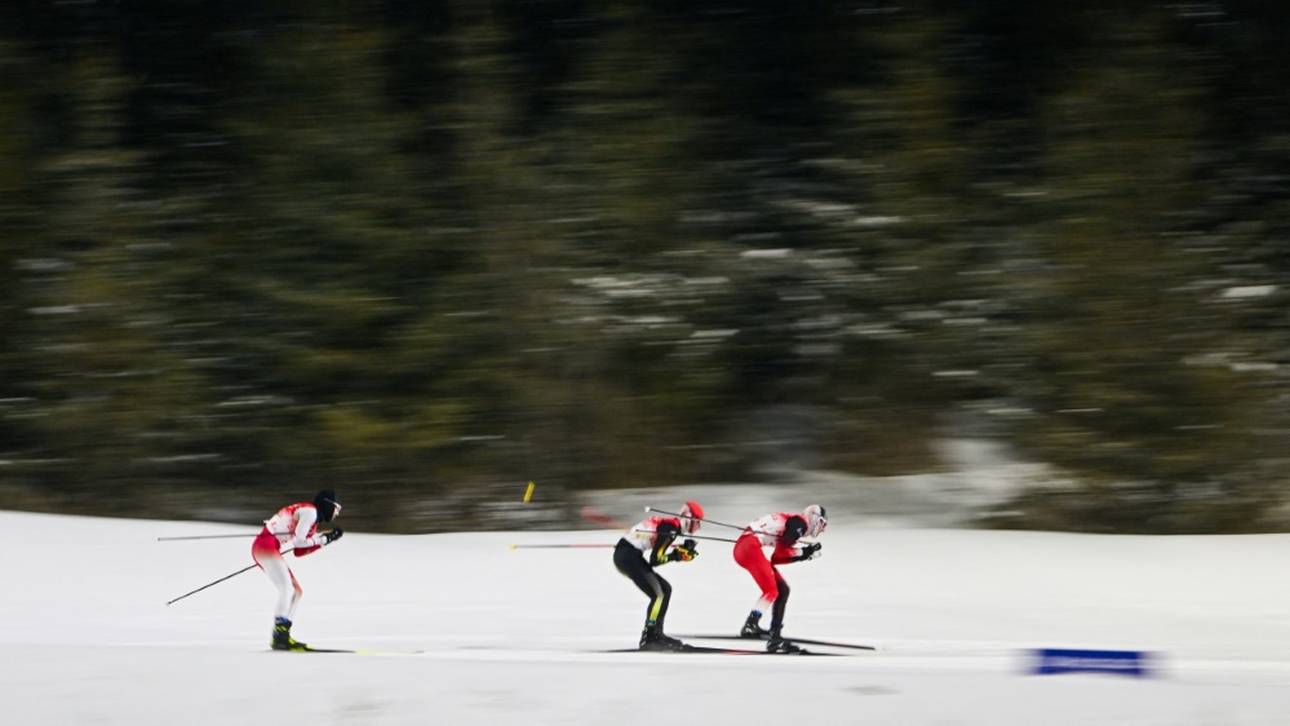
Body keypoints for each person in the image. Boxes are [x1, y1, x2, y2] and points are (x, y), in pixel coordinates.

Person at [251, 489, 344, 651]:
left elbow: (299, 551)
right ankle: (280, 636)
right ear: (328, 505)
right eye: (336, 508)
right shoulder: (310, 512)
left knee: (296, 591)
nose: (336, 513)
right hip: (265, 545)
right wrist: (323, 538)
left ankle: (282, 634)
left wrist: (325, 541)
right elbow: (299, 542)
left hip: (267, 546)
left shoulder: (312, 521)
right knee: (286, 588)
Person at [733, 504, 827, 653]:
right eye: (822, 523)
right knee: (771, 590)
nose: (823, 529)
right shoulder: (800, 524)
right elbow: (781, 555)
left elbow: (778, 558)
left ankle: (775, 636)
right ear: (814, 517)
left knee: (783, 590)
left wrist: (803, 553)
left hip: (746, 546)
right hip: (749, 546)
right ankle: (751, 625)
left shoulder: (796, 524)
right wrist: (804, 552)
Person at [613, 500, 704, 651]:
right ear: (688, 518)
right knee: (658, 595)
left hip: (629, 555)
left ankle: (656, 633)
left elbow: (659, 548)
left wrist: (679, 551)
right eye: (697, 522)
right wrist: (677, 556)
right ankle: (649, 638)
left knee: (665, 589)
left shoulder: (670, 527)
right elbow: (656, 560)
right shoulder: (671, 529)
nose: (698, 527)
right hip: (628, 556)